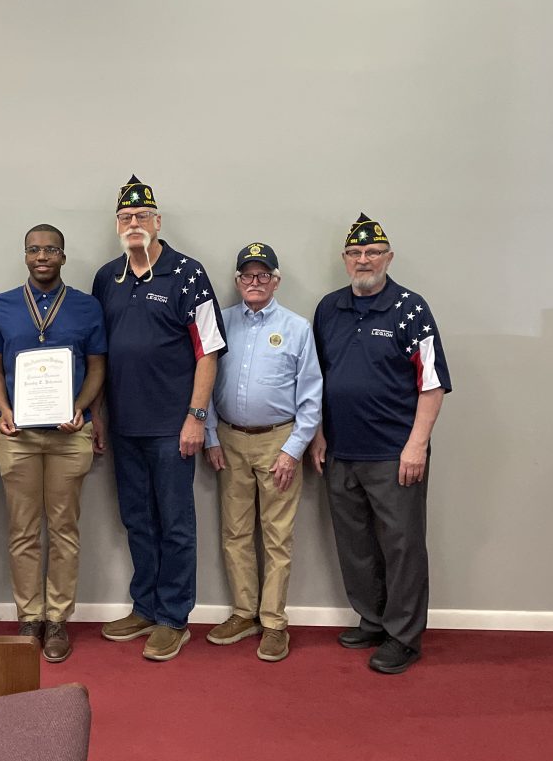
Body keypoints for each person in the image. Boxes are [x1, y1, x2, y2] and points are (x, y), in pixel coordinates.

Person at [308, 215, 452, 674]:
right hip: (340, 452)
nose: (363, 260)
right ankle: (372, 618)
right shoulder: (329, 309)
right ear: (345, 260)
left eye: (372, 253)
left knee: (402, 546)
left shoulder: (411, 308)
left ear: (388, 258)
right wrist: (319, 433)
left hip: (394, 453)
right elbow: (318, 379)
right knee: (356, 544)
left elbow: (432, 385)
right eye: (355, 253)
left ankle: (403, 636)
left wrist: (416, 446)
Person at [92, 175, 227, 662]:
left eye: (142, 217)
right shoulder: (108, 278)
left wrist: (196, 416)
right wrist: (98, 415)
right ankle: (145, 605)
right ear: (117, 226)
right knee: (137, 520)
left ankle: (174, 617)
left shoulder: (188, 274)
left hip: (173, 427)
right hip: (124, 425)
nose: (134, 224)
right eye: (126, 218)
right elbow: (100, 357)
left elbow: (209, 352)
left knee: (175, 523)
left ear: (158, 222)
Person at [0, 224, 106, 662]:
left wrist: (81, 407)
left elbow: (96, 368)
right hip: (17, 434)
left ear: (63, 256)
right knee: (23, 530)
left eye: (50, 249)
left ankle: (57, 619)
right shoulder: (0, 307)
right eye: (34, 249)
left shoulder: (88, 308)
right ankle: (29, 616)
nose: (42, 256)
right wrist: (4, 410)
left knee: (65, 529)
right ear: (25, 255)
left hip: (70, 436)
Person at [203, 242, 322, 662]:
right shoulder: (221, 324)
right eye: (247, 276)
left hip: (278, 441)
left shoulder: (297, 328)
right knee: (234, 533)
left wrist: (293, 450)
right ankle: (243, 612)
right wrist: (212, 437)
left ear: (276, 280)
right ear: (237, 281)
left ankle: (273, 621)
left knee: (277, 536)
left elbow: (311, 397)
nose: (255, 283)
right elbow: (206, 383)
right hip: (230, 441)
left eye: (263, 275)